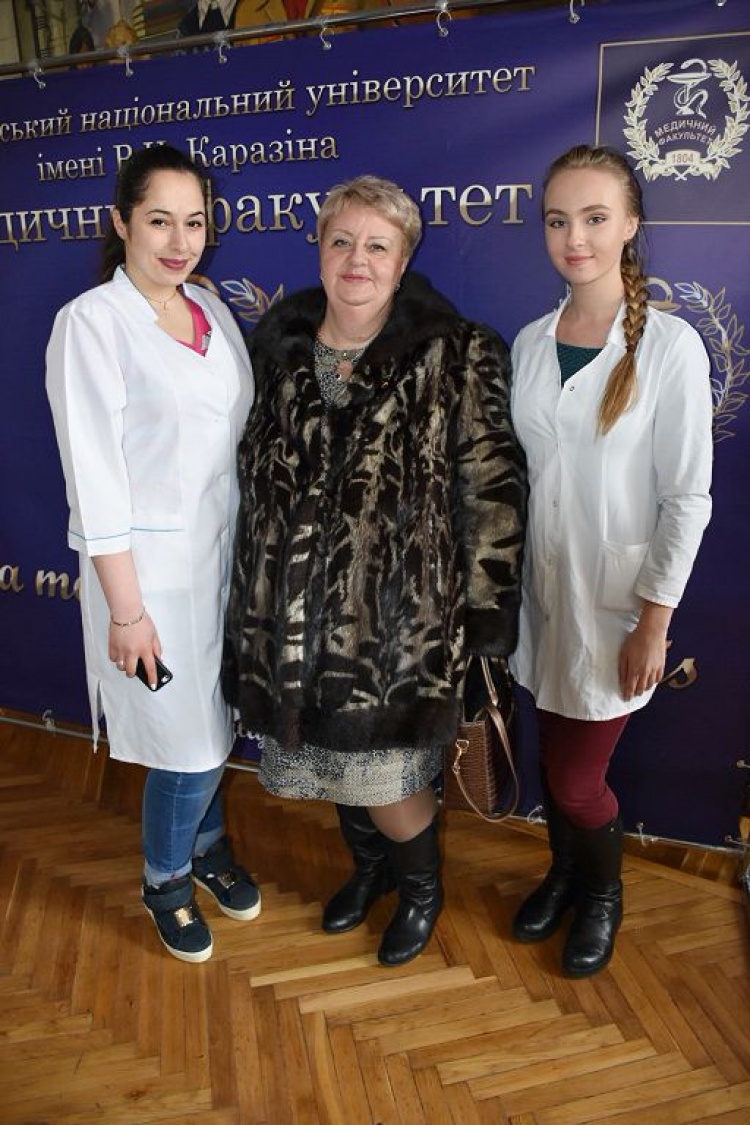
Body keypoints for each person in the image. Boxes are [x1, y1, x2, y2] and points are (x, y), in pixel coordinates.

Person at [222, 174, 527, 967]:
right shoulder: (272, 350)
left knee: (386, 779)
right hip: (290, 621)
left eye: (377, 245)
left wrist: (486, 620)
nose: (357, 259)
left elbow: (491, 488)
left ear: (403, 258)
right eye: (342, 241)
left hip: (399, 627)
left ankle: (421, 889)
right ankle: (371, 873)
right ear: (320, 249)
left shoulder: (458, 351)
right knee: (329, 767)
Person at [46, 145, 258, 964]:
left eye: (194, 222)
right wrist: (127, 612)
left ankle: (206, 847)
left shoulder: (208, 307)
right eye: (159, 220)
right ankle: (165, 879)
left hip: (222, 566)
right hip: (148, 585)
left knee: (212, 728)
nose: (180, 241)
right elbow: (95, 481)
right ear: (121, 222)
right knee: (187, 747)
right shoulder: (92, 324)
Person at [509, 144, 713, 977]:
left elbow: (687, 498)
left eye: (595, 218)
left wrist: (654, 621)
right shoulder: (530, 342)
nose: (575, 239)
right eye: (558, 220)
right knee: (551, 758)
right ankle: (563, 874)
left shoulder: (669, 347)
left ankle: (602, 893)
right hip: (542, 597)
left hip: (618, 605)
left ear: (630, 224)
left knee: (577, 780)